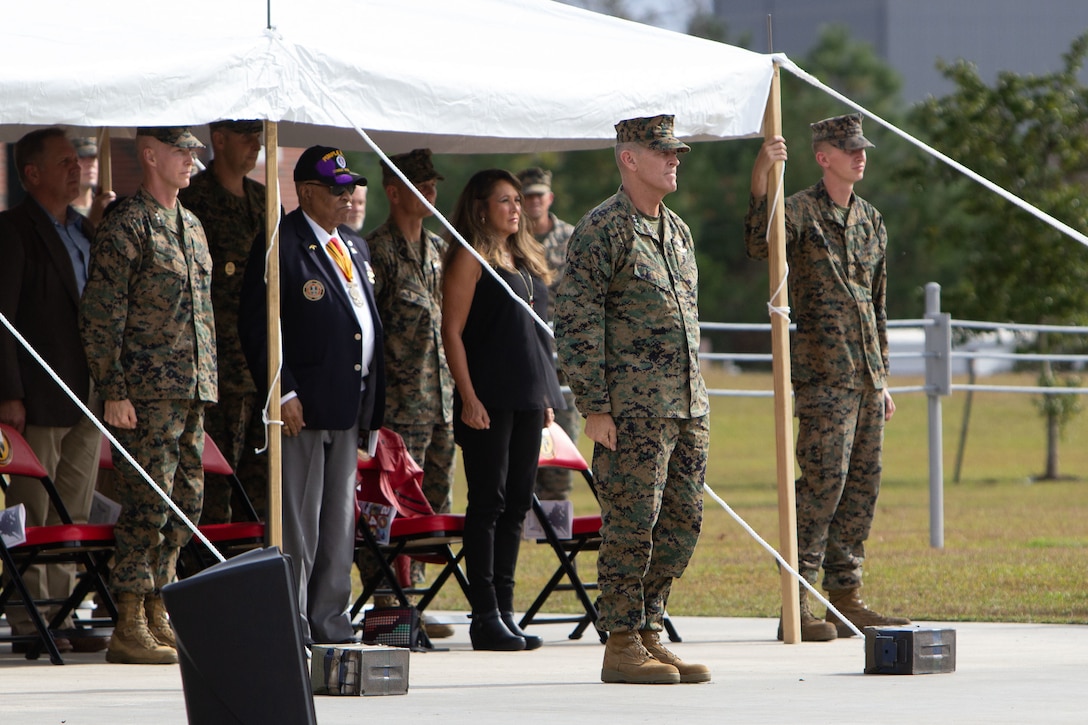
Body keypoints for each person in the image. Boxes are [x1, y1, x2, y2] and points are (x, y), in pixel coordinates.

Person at [555, 115, 711, 685]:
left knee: (680, 524)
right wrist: (595, 405)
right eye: (663, 151)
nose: (675, 160)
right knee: (631, 525)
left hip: (686, 408)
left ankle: (649, 629)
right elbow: (576, 322)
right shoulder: (603, 230)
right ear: (629, 158)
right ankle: (620, 643)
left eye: (676, 152)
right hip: (632, 412)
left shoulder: (678, 231)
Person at [744, 113, 910, 642]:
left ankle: (846, 599)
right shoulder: (797, 212)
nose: (860, 155)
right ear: (823, 156)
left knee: (862, 487)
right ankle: (799, 602)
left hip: (864, 379)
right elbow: (759, 245)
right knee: (822, 485)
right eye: (849, 148)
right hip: (822, 379)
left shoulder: (872, 220)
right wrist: (760, 178)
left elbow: (878, 304)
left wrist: (881, 377)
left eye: (863, 147)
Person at [79, 126, 217, 665]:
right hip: (144, 394)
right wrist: (113, 389)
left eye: (193, 152)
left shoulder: (193, 226)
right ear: (150, 155)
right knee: (147, 505)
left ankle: (160, 602)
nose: (191, 160)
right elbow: (100, 315)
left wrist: (208, 382)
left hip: (190, 391)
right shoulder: (127, 225)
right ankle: (129, 618)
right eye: (182, 151)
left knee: (185, 502)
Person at [239, 145, 384, 647]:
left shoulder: (356, 247)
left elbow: (363, 326)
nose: (349, 197)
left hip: (346, 407)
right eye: (337, 190)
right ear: (305, 193)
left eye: (351, 188)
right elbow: (259, 326)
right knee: (298, 525)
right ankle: (292, 624)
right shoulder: (282, 241)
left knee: (338, 526)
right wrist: (282, 390)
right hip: (300, 408)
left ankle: (330, 622)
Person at [441, 169, 563, 652]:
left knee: (517, 504)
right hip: (487, 399)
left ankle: (506, 611)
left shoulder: (526, 259)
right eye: (504, 201)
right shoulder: (471, 258)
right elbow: (453, 331)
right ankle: (484, 615)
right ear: (480, 208)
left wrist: (546, 398)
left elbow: (536, 334)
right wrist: (469, 396)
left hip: (530, 398)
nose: (516, 208)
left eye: (518, 200)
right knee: (487, 503)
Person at [0, 128, 108, 654]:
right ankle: (29, 618)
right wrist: (9, 393)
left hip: (86, 392)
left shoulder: (85, 230)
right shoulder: (13, 231)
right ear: (31, 174)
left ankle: (63, 612)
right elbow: (3, 319)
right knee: (34, 511)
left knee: (74, 509)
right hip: (38, 392)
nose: (77, 168)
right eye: (64, 161)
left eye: (77, 161)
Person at [360, 149, 455, 638]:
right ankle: (385, 601)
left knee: (430, 505)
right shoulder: (376, 250)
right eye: (420, 184)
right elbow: (367, 334)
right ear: (393, 192)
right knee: (389, 507)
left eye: (433, 183)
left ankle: (413, 600)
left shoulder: (438, 249)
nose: (431, 192)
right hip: (398, 403)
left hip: (438, 399)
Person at [178, 119, 268, 524]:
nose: (256, 144)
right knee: (212, 488)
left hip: (261, 370)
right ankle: (209, 582)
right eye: (246, 136)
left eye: (258, 136)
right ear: (218, 140)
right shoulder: (193, 201)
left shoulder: (266, 201)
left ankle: (255, 578)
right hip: (214, 373)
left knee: (261, 491)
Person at [516, 167, 579, 501]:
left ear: (549, 198)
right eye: (527, 197)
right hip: (521, 359)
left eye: (539, 195)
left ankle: (554, 529)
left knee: (561, 446)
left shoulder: (571, 239)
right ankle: (523, 522)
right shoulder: (510, 241)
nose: (533, 202)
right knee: (520, 453)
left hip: (560, 363)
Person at [70, 136, 115, 228]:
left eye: (94, 157)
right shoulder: (59, 212)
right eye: (82, 157)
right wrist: (93, 221)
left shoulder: (106, 206)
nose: (89, 163)